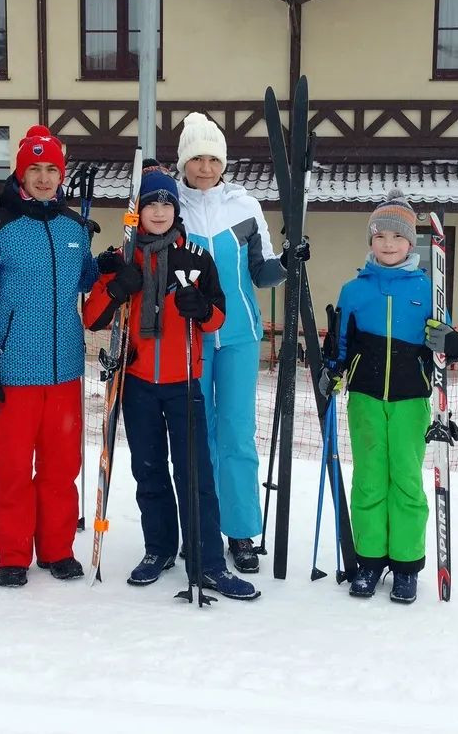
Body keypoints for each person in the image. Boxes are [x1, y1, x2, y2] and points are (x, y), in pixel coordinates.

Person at [82, 166, 260, 601]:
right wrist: (116, 289)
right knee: (149, 471)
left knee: (195, 474)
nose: (159, 211)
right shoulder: (124, 257)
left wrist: (201, 309)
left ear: (176, 210)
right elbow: (92, 318)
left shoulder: (196, 257)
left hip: (185, 382)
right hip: (138, 382)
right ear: (137, 211)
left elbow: (218, 316)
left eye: (166, 203)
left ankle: (209, 562)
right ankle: (159, 549)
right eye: (150, 204)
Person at [0, 125, 97, 588]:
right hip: (13, 369)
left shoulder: (74, 228)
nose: (42, 177)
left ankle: (58, 549)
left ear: (61, 175)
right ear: (20, 173)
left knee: (61, 469)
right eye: (34, 168)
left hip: (64, 371)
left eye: (51, 169)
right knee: (14, 470)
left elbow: (85, 282)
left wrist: (107, 264)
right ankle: (13, 554)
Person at [321, 190, 458, 604]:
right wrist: (333, 369)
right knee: (369, 480)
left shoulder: (427, 289)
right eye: (381, 235)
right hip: (365, 398)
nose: (388, 244)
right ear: (371, 240)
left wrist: (453, 344)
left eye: (398, 236)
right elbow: (341, 344)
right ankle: (369, 560)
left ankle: (406, 565)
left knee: (405, 479)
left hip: (411, 399)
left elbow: (447, 344)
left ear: (411, 242)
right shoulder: (354, 290)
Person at [174, 113, 299, 573]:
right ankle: (200, 527)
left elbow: (262, 273)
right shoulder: (171, 206)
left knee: (236, 433)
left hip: (240, 335)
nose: (205, 168)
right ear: (183, 162)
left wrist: (288, 261)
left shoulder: (245, 207)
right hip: (189, 336)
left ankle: (241, 529)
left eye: (213, 159)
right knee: (196, 434)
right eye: (196, 159)